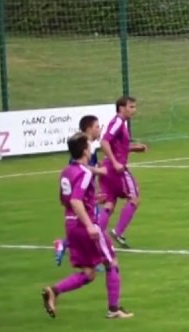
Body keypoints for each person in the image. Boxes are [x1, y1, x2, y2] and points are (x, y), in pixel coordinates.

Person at [42, 133, 132, 320]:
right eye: (89, 145)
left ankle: (54, 291)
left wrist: (92, 199)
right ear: (84, 150)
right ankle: (114, 309)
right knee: (111, 262)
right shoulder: (85, 172)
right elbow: (75, 201)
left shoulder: (67, 171)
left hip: (71, 225)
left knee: (89, 273)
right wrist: (90, 225)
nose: (91, 148)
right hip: (85, 225)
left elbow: (66, 200)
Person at [54, 115, 105, 266]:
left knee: (93, 222)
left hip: (86, 192)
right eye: (97, 127)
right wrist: (99, 170)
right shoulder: (85, 147)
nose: (99, 129)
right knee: (92, 223)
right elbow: (79, 167)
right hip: (82, 195)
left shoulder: (90, 146)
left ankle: (88, 256)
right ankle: (93, 257)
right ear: (89, 129)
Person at [98, 96, 148, 249]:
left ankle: (96, 237)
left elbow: (116, 146)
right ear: (121, 108)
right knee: (134, 198)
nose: (134, 110)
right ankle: (118, 232)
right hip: (116, 169)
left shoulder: (119, 123)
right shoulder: (118, 122)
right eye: (131, 107)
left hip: (107, 169)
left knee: (109, 203)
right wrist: (115, 162)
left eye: (134, 107)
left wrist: (134, 148)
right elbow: (104, 141)